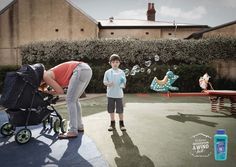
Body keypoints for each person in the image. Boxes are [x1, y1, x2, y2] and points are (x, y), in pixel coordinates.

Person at [43, 61, 92, 139]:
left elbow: (60, 92)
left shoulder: (45, 76)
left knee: (70, 100)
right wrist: (52, 91)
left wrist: (47, 92)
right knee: (74, 100)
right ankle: (79, 126)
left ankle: (72, 130)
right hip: (86, 69)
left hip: (79, 70)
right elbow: (61, 89)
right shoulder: (49, 73)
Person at [103, 54, 127, 131]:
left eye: (117, 62)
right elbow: (104, 81)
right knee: (111, 109)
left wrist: (123, 84)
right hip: (110, 94)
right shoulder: (107, 72)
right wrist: (108, 84)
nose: (115, 63)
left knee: (120, 110)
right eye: (113, 62)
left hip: (119, 95)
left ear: (119, 63)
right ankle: (112, 123)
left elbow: (124, 83)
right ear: (110, 63)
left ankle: (121, 123)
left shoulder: (122, 72)